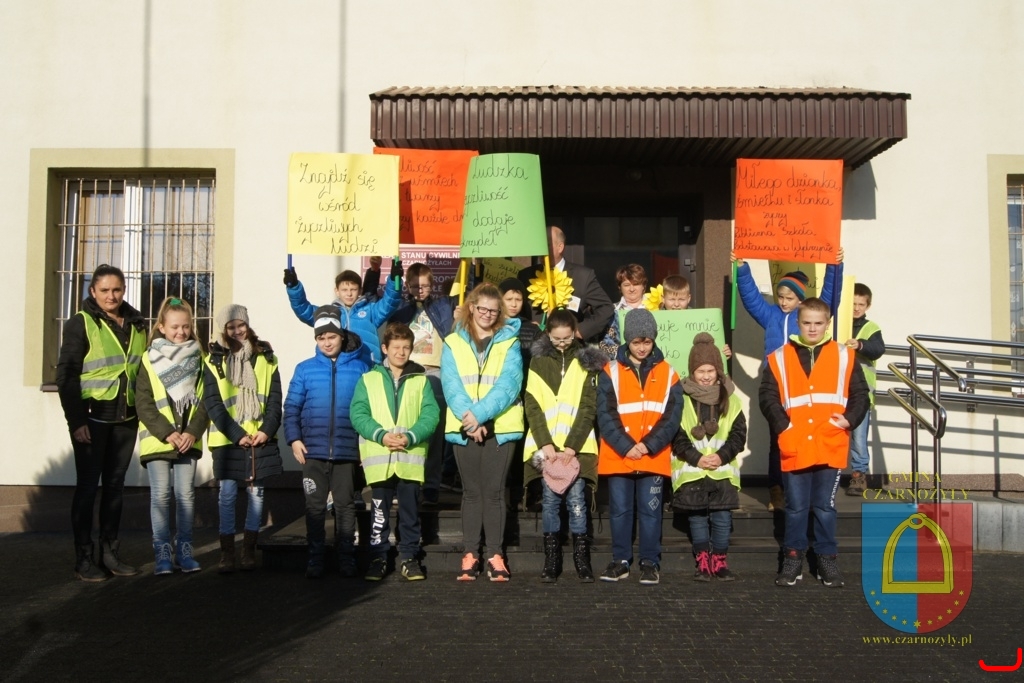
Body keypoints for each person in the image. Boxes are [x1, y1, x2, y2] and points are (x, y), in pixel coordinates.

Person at [759, 297, 869, 588]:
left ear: (827, 324)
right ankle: (792, 558)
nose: (812, 328)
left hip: (830, 442)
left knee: (824, 507)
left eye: (818, 323)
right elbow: (767, 396)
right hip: (795, 443)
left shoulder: (845, 355)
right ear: (798, 323)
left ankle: (826, 559)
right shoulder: (779, 357)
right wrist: (783, 426)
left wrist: (848, 420)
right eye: (806, 322)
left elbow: (861, 395)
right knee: (795, 507)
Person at [732, 250, 844, 511]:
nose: (783, 302)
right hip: (775, 387)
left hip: (802, 386)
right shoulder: (770, 315)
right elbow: (751, 298)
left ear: (801, 299)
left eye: (789, 298)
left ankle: (806, 491)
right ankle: (777, 490)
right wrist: (742, 268)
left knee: (806, 437)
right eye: (780, 296)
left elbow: (831, 295)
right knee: (778, 439)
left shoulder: (805, 318)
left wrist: (834, 265)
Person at [57, 264, 147, 581]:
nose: (111, 296)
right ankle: (83, 559)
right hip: (92, 419)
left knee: (115, 488)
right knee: (87, 488)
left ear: (124, 290)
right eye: (105, 290)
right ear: (92, 291)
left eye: (117, 289)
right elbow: (66, 375)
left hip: (126, 418)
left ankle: (110, 555)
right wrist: (76, 421)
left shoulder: (137, 324)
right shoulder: (81, 323)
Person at [441, 283, 524, 582]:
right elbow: (451, 384)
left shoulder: (510, 342)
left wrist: (479, 415)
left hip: (499, 428)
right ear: (472, 308)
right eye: (482, 309)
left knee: (495, 493)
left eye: (493, 310)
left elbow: (509, 384)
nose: (487, 314)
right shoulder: (452, 342)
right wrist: (471, 421)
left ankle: (495, 554)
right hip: (466, 427)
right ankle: (470, 553)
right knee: (472, 493)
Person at [597, 308, 683, 586]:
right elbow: (605, 415)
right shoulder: (610, 371)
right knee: (620, 511)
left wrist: (647, 445)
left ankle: (649, 562)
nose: (642, 347)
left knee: (650, 511)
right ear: (628, 340)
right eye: (636, 342)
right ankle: (620, 561)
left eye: (647, 341)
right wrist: (627, 447)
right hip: (620, 455)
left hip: (651, 455)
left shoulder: (669, 373)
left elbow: (672, 417)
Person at [351, 322, 440, 581]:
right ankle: (378, 557)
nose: (401, 352)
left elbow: (430, 414)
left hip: (409, 459)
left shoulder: (421, 381)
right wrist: (381, 435)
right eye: (396, 347)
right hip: (380, 461)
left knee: (410, 513)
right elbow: (358, 413)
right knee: (379, 513)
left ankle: (409, 557)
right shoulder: (368, 379)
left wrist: (411, 436)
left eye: (406, 348)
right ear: (384, 348)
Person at [284, 306, 368, 579]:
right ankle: (315, 559)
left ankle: (346, 557)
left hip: (347, 451)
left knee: (345, 506)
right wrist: (294, 439)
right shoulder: (304, 369)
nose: (327, 342)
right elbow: (292, 407)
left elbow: (369, 409)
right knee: (315, 507)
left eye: (332, 336)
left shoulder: (360, 368)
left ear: (342, 336)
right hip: (312, 452)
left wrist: (365, 446)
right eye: (321, 338)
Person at [523, 309, 604, 582]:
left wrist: (571, 446)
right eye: (556, 339)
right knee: (550, 502)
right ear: (548, 334)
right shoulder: (538, 361)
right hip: (546, 447)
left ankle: (582, 559)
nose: (561, 343)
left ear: (574, 333)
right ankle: (552, 559)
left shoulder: (587, 361)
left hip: (576, 447)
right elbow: (532, 404)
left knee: (577, 501)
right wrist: (545, 442)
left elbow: (588, 406)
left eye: (567, 338)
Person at [203, 304, 283, 573]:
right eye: (231, 327)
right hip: (228, 440)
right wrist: (237, 435)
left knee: (256, 494)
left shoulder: (267, 358)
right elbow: (213, 403)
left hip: (258, 437)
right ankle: (227, 553)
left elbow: (275, 400)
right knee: (226, 496)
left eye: (241, 325)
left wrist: (266, 431)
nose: (237, 331)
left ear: (247, 326)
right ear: (223, 330)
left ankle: (249, 550)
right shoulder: (213, 360)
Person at [136, 297, 210, 575]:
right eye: (175, 327)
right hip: (159, 441)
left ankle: (185, 550)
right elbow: (143, 402)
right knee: (160, 497)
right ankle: (162, 552)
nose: (181, 332)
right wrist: (168, 433)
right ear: (162, 327)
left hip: (188, 440)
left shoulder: (200, 359)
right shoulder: (149, 359)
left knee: (186, 495)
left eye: (186, 327)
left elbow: (206, 400)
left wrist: (192, 431)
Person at [671, 333, 747, 582]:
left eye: (711, 370)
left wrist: (721, 456)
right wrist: (696, 458)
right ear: (692, 371)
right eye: (700, 371)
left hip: (721, 471)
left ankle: (720, 560)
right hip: (692, 470)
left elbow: (738, 435)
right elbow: (677, 435)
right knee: (697, 517)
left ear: (718, 371)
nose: (706, 376)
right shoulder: (682, 399)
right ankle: (703, 559)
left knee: (722, 517)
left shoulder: (731, 399)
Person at [389, 262, 462, 504]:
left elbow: (467, 290)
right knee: (405, 428)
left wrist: (472, 265)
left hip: (436, 372)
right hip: (407, 372)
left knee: (434, 431)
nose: (420, 290)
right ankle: (405, 483)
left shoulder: (442, 305)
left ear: (432, 285)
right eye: (415, 286)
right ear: (407, 286)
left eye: (424, 286)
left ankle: (431, 485)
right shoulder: (400, 308)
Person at [283, 260, 404, 365]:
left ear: (360, 290)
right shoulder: (329, 314)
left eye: (353, 289)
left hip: (368, 365)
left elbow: (390, 301)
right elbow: (304, 310)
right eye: (344, 290)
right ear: (337, 291)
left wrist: (394, 279)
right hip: (340, 367)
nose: (349, 294)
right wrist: (294, 287)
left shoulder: (371, 310)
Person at [518, 225, 614, 343]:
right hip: (535, 347)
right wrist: (527, 326)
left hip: (569, 347)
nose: (542, 250)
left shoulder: (583, 276)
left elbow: (606, 307)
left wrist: (581, 330)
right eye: (540, 245)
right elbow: (514, 309)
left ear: (560, 247)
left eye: (547, 245)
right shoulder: (526, 276)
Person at [498, 276, 542, 532]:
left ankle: (528, 492)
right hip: (503, 397)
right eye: (509, 299)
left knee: (528, 445)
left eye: (518, 299)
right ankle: (507, 495)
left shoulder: (532, 329)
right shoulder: (492, 326)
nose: (514, 303)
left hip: (527, 393)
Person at [844, 283, 885, 496]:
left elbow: (878, 349)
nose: (857, 308)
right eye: (853, 303)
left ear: (867, 306)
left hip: (862, 392)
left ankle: (859, 476)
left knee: (859, 437)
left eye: (861, 304)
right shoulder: (836, 324)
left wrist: (860, 345)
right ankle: (827, 473)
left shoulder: (872, 328)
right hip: (837, 390)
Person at [599, 263, 650, 359]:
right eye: (626, 285)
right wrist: (627, 357)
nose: (631, 289)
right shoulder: (611, 311)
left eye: (636, 284)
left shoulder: (658, 308)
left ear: (643, 286)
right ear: (620, 287)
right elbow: (605, 344)